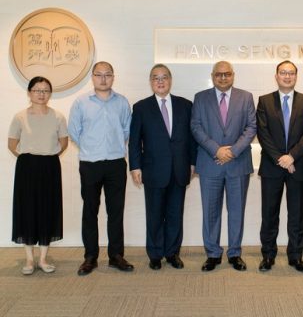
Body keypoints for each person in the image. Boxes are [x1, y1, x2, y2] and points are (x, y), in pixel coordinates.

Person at [68, 61, 134, 276]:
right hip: (90, 163)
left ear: (113, 77)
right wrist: (92, 147)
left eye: (108, 75)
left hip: (115, 162)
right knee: (90, 211)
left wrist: (111, 146)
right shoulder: (81, 102)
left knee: (116, 211)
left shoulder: (122, 102)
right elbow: (74, 132)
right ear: (93, 77)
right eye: (99, 75)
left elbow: (126, 130)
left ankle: (116, 256)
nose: (103, 79)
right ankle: (90, 257)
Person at [129, 64, 197, 270]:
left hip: (179, 169)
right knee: (155, 214)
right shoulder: (141, 107)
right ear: (151, 82)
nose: (160, 81)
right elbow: (134, 141)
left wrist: (193, 162)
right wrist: (135, 166)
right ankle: (155, 254)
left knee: (176, 214)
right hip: (153, 170)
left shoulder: (186, 105)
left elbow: (192, 139)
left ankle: (172, 253)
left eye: (164, 77)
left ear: (170, 80)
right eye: (156, 78)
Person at [191, 61, 257, 272]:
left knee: (236, 211)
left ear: (233, 75)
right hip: (210, 163)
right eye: (218, 74)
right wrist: (216, 149)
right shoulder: (201, 98)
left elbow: (251, 127)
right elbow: (196, 126)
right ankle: (212, 253)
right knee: (210, 211)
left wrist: (232, 151)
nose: (222, 78)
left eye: (227, 74)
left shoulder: (245, 97)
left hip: (238, 164)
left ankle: (235, 253)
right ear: (212, 76)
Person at [256, 61, 303, 273]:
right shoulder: (264, 101)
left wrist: (291, 156)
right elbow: (263, 134)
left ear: (296, 76)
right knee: (269, 214)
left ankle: (295, 256)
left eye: (291, 73)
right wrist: (280, 158)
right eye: (283, 72)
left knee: (297, 214)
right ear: (276, 76)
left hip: (298, 166)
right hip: (272, 167)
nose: (287, 76)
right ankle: (268, 255)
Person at [8, 77, 68, 275]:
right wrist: (29, 157)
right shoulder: (20, 117)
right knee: (27, 210)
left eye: (45, 90)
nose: (41, 94)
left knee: (47, 209)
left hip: (50, 166)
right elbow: (12, 144)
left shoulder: (58, 117)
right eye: (37, 90)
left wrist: (46, 156)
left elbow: (63, 143)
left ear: (50, 93)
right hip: (27, 167)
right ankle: (28, 259)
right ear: (29, 93)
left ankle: (42, 258)